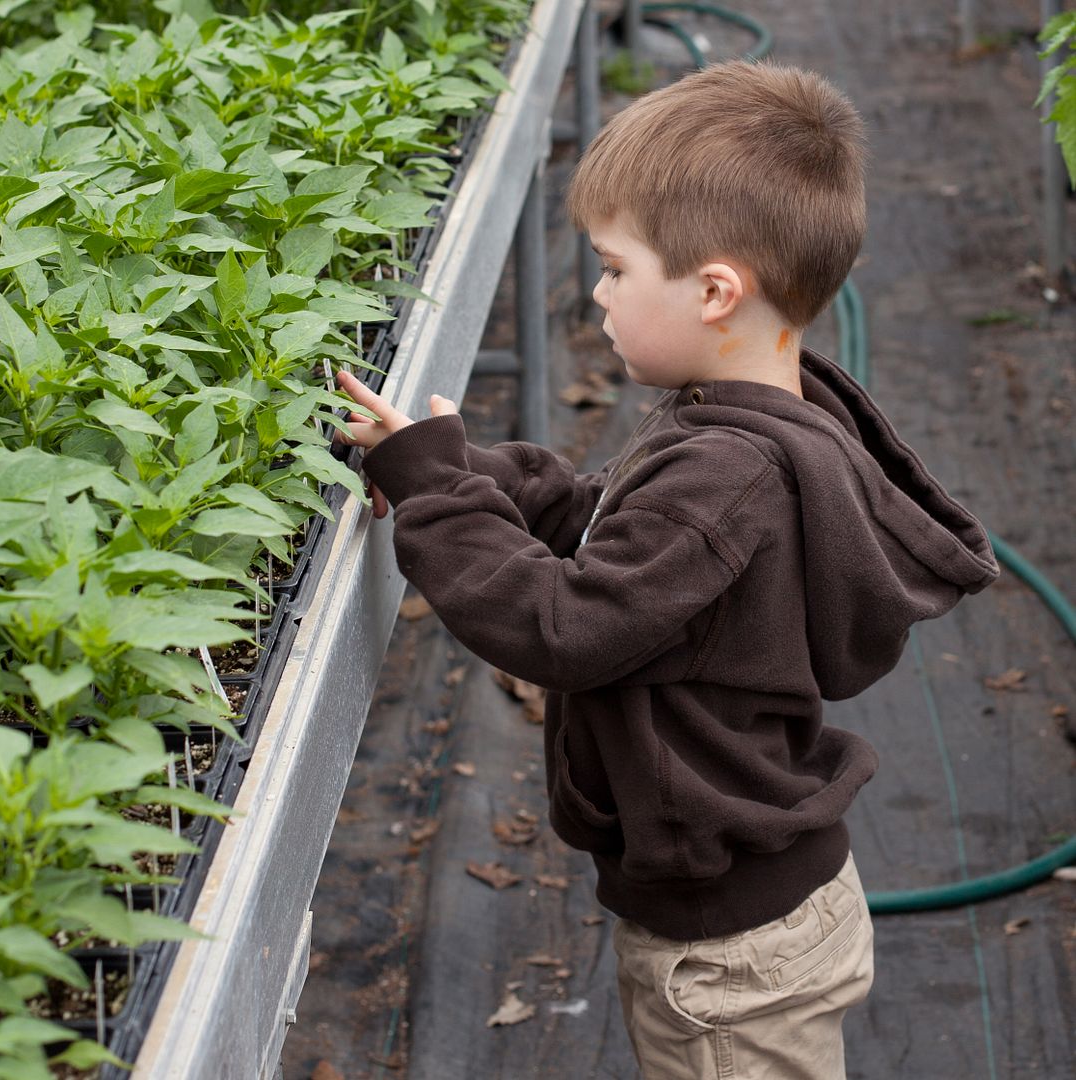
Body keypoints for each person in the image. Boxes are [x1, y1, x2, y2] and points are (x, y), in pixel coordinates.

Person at [334, 60, 999, 1079]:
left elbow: (564, 626)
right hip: (754, 917)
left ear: (714, 290)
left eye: (611, 267)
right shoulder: (754, 416)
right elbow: (606, 520)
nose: (596, 294)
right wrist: (460, 471)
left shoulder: (725, 476)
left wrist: (435, 502)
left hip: (727, 961)